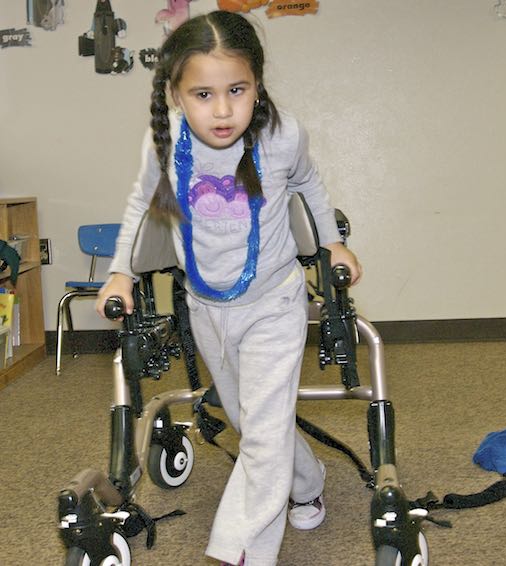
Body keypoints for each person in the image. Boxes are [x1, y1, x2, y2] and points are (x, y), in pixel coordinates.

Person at [96, 10, 362, 566]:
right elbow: (138, 207)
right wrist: (120, 269)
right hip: (207, 308)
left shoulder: (282, 135)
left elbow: (310, 183)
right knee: (251, 424)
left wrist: (332, 242)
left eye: (236, 90)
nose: (222, 110)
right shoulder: (164, 144)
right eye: (203, 94)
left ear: (256, 85)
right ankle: (307, 482)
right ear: (175, 94)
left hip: (274, 302)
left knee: (262, 436)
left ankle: (240, 552)